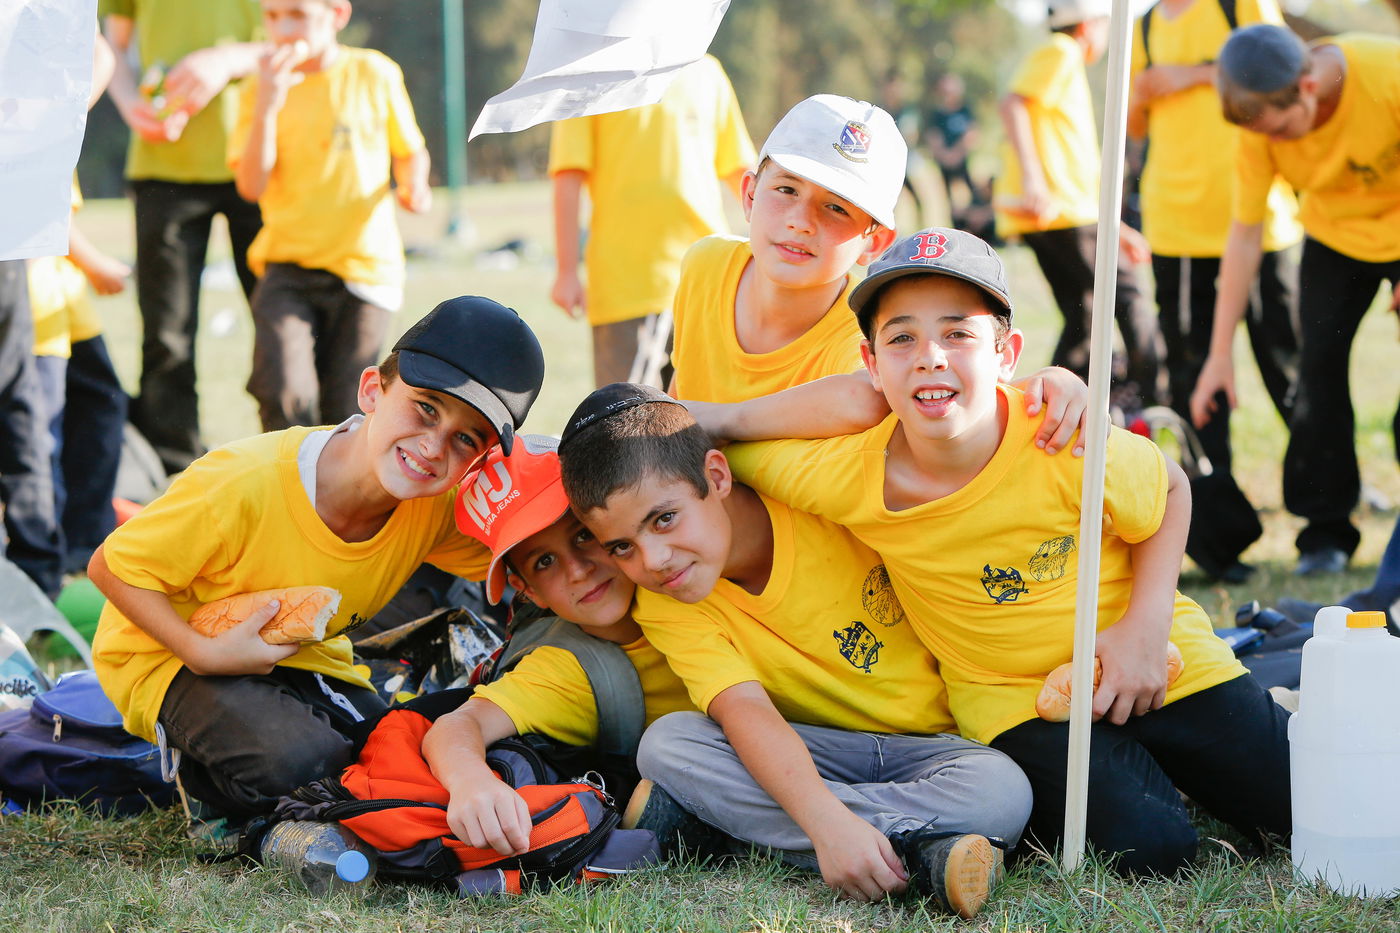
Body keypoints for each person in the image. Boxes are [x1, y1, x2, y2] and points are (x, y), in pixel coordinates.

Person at [722, 228, 1291, 875]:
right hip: (1015, 699)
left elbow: (1170, 486)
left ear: (1006, 354)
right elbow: (730, 451)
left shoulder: (1059, 434)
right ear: (871, 364)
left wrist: (1147, 624)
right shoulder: (848, 475)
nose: (929, 356)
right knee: (1152, 848)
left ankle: (1250, 707)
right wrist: (700, 415)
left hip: (1149, 648)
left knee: (1297, 806)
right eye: (901, 338)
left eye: (958, 333)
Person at [558, 383, 1033, 917]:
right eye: (623, 547)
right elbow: (744, 709)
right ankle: (910, 852)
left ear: (717, 477)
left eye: (664, 518)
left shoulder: (811, 497)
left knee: (1001, 792)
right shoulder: (665, 603)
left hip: (930, 749)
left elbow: (871, 398)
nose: (654, 560)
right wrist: (825, 824)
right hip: (806, 751)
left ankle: (730, 830)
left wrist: (1053, 388)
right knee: (669, 744)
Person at [87, 296, 545, 823]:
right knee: (305, 763)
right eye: (425, 408)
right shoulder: (244, 483)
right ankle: (202, 779)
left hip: (301, 658)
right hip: (171, 655)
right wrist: (202, 652)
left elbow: (533, 561)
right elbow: (111, 566)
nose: (434, 447)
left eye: (466, 438)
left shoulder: (434, 508)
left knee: (388, 755)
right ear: (372, 390)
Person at [670, 92, 1090, 457]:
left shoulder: (872, 325)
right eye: (786, 189)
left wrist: (1048, 382)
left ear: (875, 242)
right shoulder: (707, 264)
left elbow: (869, 398)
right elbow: (679, 396)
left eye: (836, 208)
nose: (800, 221)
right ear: (749, 194)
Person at [422, 434, 697, 857]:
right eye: (544, 562)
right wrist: (471, 782)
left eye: (584, 535)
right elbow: (457, 726)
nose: (577, 570)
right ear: (528, 590)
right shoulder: (568, 669)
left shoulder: (690, 573)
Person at [1190, 25, 1400, 577]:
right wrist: (1219, 354)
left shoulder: (1387, 75)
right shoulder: (1259, 131)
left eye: (1282, 130)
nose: (1278, 145)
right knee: (1316, 377)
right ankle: (1325, 533)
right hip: (1336, 240)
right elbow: (1244, 236)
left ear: (1308, 86)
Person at [1125, 0, 1303, 584]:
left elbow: (1286, 70)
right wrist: (1141, 96)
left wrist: (1192, 74)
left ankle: (1324, 516)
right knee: (1193, 378)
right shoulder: (1143, 25)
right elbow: (1134, 127)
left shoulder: (1238, 4)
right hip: (1177, 226)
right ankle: (1218, 537)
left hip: (1259, 222)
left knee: (1290, 368)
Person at [232, 0, 432, 432]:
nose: (284, 28)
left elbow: (410, 150)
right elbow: (251, 185)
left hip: (364, 268)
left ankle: (343, 476)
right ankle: (289, 473)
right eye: (272, 16)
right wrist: (267, 103)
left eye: (298, 14)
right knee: (282, 389)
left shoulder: (373, 72)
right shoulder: (255, 89)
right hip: (288, 266)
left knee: (349, 406)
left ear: (337, 15)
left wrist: (414, 184)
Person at [101, 0, 264, 475]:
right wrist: (130, 104)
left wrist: (228, 59)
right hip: (162, 165)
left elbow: (307, 39)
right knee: (166, 335)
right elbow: (112, 46)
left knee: (281, 325)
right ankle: (173, 469)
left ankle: (299, 457)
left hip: (263, 163)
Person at [549, 54, 755, 389]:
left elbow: (739, 170)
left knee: (703, 409)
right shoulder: (591, 73)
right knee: (625, 412)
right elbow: (568, 175)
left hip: (707, 279)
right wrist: (566, 270)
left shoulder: (708, 71)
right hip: (626, 283)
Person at [994, 0, 1162, 408]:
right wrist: (1033, 179)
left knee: (1082, 314)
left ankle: (1050, 406)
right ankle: (1154, 398)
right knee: (1129, 296)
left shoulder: (1062, 60)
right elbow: (1013, 104)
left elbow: (1075, 165)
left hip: (1064, 214)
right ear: (1088, 26)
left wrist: (1117, 228)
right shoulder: (1062, 52)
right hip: (1061, 212)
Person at [27, 183, 132, 575]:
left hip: (63, 298)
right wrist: (95, 264)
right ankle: (46, 547)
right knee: (38, 434)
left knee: (100, 405)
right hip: (35, 303)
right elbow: (41, 208)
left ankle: (85, 539)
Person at [926, 73, 978, 220]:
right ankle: (956, 222)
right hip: (944, 161)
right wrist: (944, 154)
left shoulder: (965, 110)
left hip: (963, 159)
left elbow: (971, 133)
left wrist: (958, 152)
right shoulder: (937, 114)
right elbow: (933, 136)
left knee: (972, 193)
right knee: (949, 198)